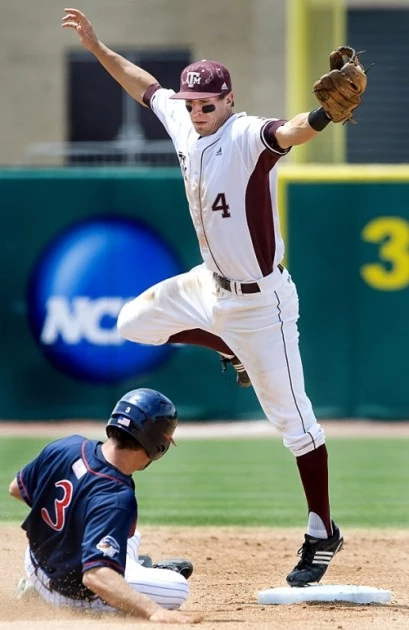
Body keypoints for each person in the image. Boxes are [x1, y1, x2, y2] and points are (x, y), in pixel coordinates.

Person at [61, 8, 344, 587]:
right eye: (191, 104)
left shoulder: (243, 134)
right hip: (207, 286)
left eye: (207, 104)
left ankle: (322, 531)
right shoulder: (186, 123)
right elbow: (147, 87)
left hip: (261, 303)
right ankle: (226, 345)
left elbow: (287, 132)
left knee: (295, 424)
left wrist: (323, 113)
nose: (196, 112)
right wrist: (97, 47)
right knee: (131, 321)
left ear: (228, 100)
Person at [9, 388, 201, 624]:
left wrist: (68, 526)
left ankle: (129, 566)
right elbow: (95, 578)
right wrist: (154, 612)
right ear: (159, 445)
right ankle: (40, 596)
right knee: (177, 588)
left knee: (129, 532)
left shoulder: (68, 446)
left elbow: (16, 489)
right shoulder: (117, 496)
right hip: (70, 593)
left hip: (34, 562)